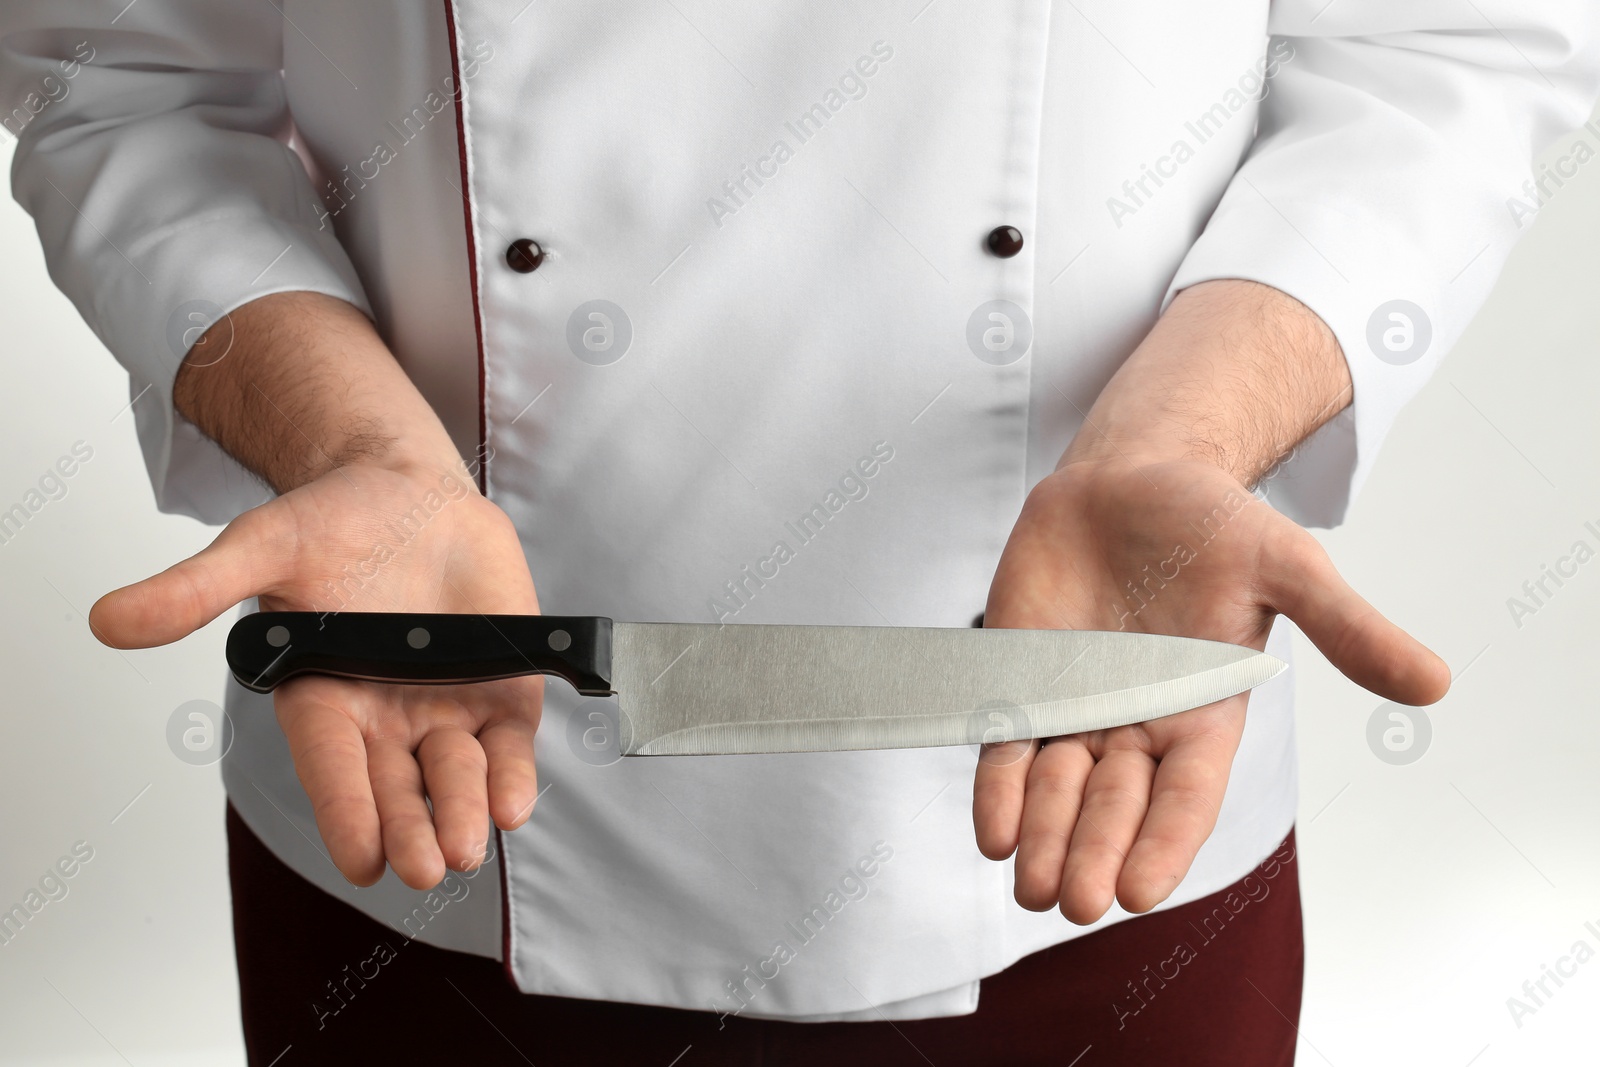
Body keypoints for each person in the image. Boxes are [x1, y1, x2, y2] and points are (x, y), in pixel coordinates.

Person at [3, 4, 1594, 1064]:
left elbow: (1442, 45)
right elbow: (122, 75)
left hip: (1107, 792)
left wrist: (1195, 430)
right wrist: (342, 440)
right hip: (441, 805)